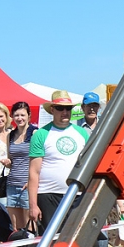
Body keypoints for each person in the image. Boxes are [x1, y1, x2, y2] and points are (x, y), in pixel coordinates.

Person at [28, 91, 90, 230]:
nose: (65, 112)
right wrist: (33, 205)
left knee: (77, 238)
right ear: (52, 109)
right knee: (52, 239)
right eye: (60, 108)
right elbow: (33, 172)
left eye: (68, 108)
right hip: (48, 195)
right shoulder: (41, 134)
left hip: (77, 195)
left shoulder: (81, 133)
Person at [5, 101, 36, 247]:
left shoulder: (35, 133)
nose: (19, 118)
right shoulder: (10, 135)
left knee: (29, 229)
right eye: (16, 115)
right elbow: (12, 159)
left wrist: (32, 181)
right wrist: (8, 162)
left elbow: (40, 160)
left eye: (22, 115)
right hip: (12, 184)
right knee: (17, 230)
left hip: (27, 185)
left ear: (29, 116)